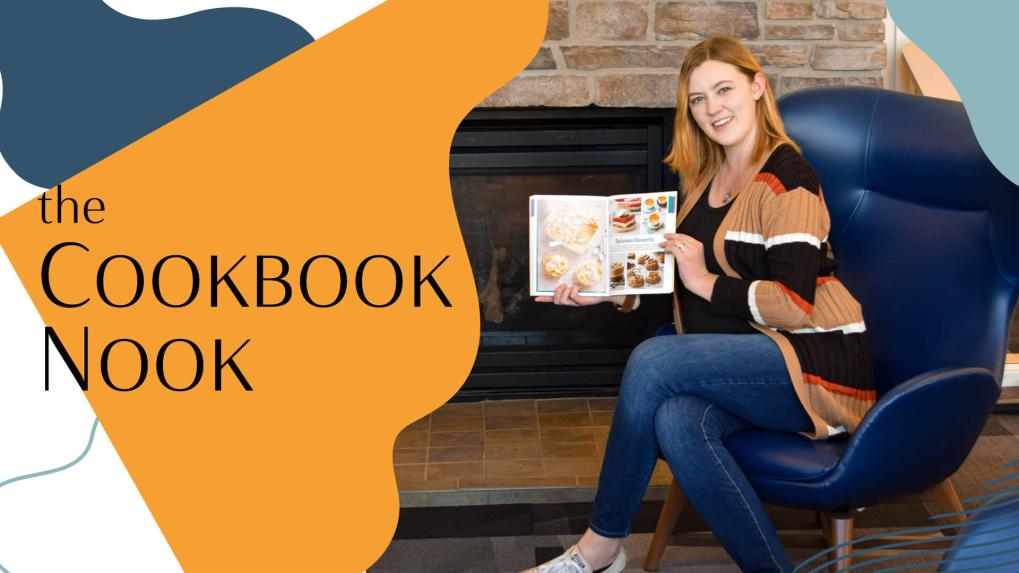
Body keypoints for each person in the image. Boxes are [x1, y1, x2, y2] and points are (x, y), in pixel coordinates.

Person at [528, 35, 874, 573]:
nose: (713, 108)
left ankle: (600, 547)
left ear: (757, 87)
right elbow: (676, 278)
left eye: (724, 89)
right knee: (675, 419)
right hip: (742, 359)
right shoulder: (703, 179)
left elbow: (793, 306)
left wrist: (706, 280)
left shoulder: (790, 181)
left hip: (811, 364)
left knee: (653, 359)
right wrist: (611, 291)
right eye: (697, 98)